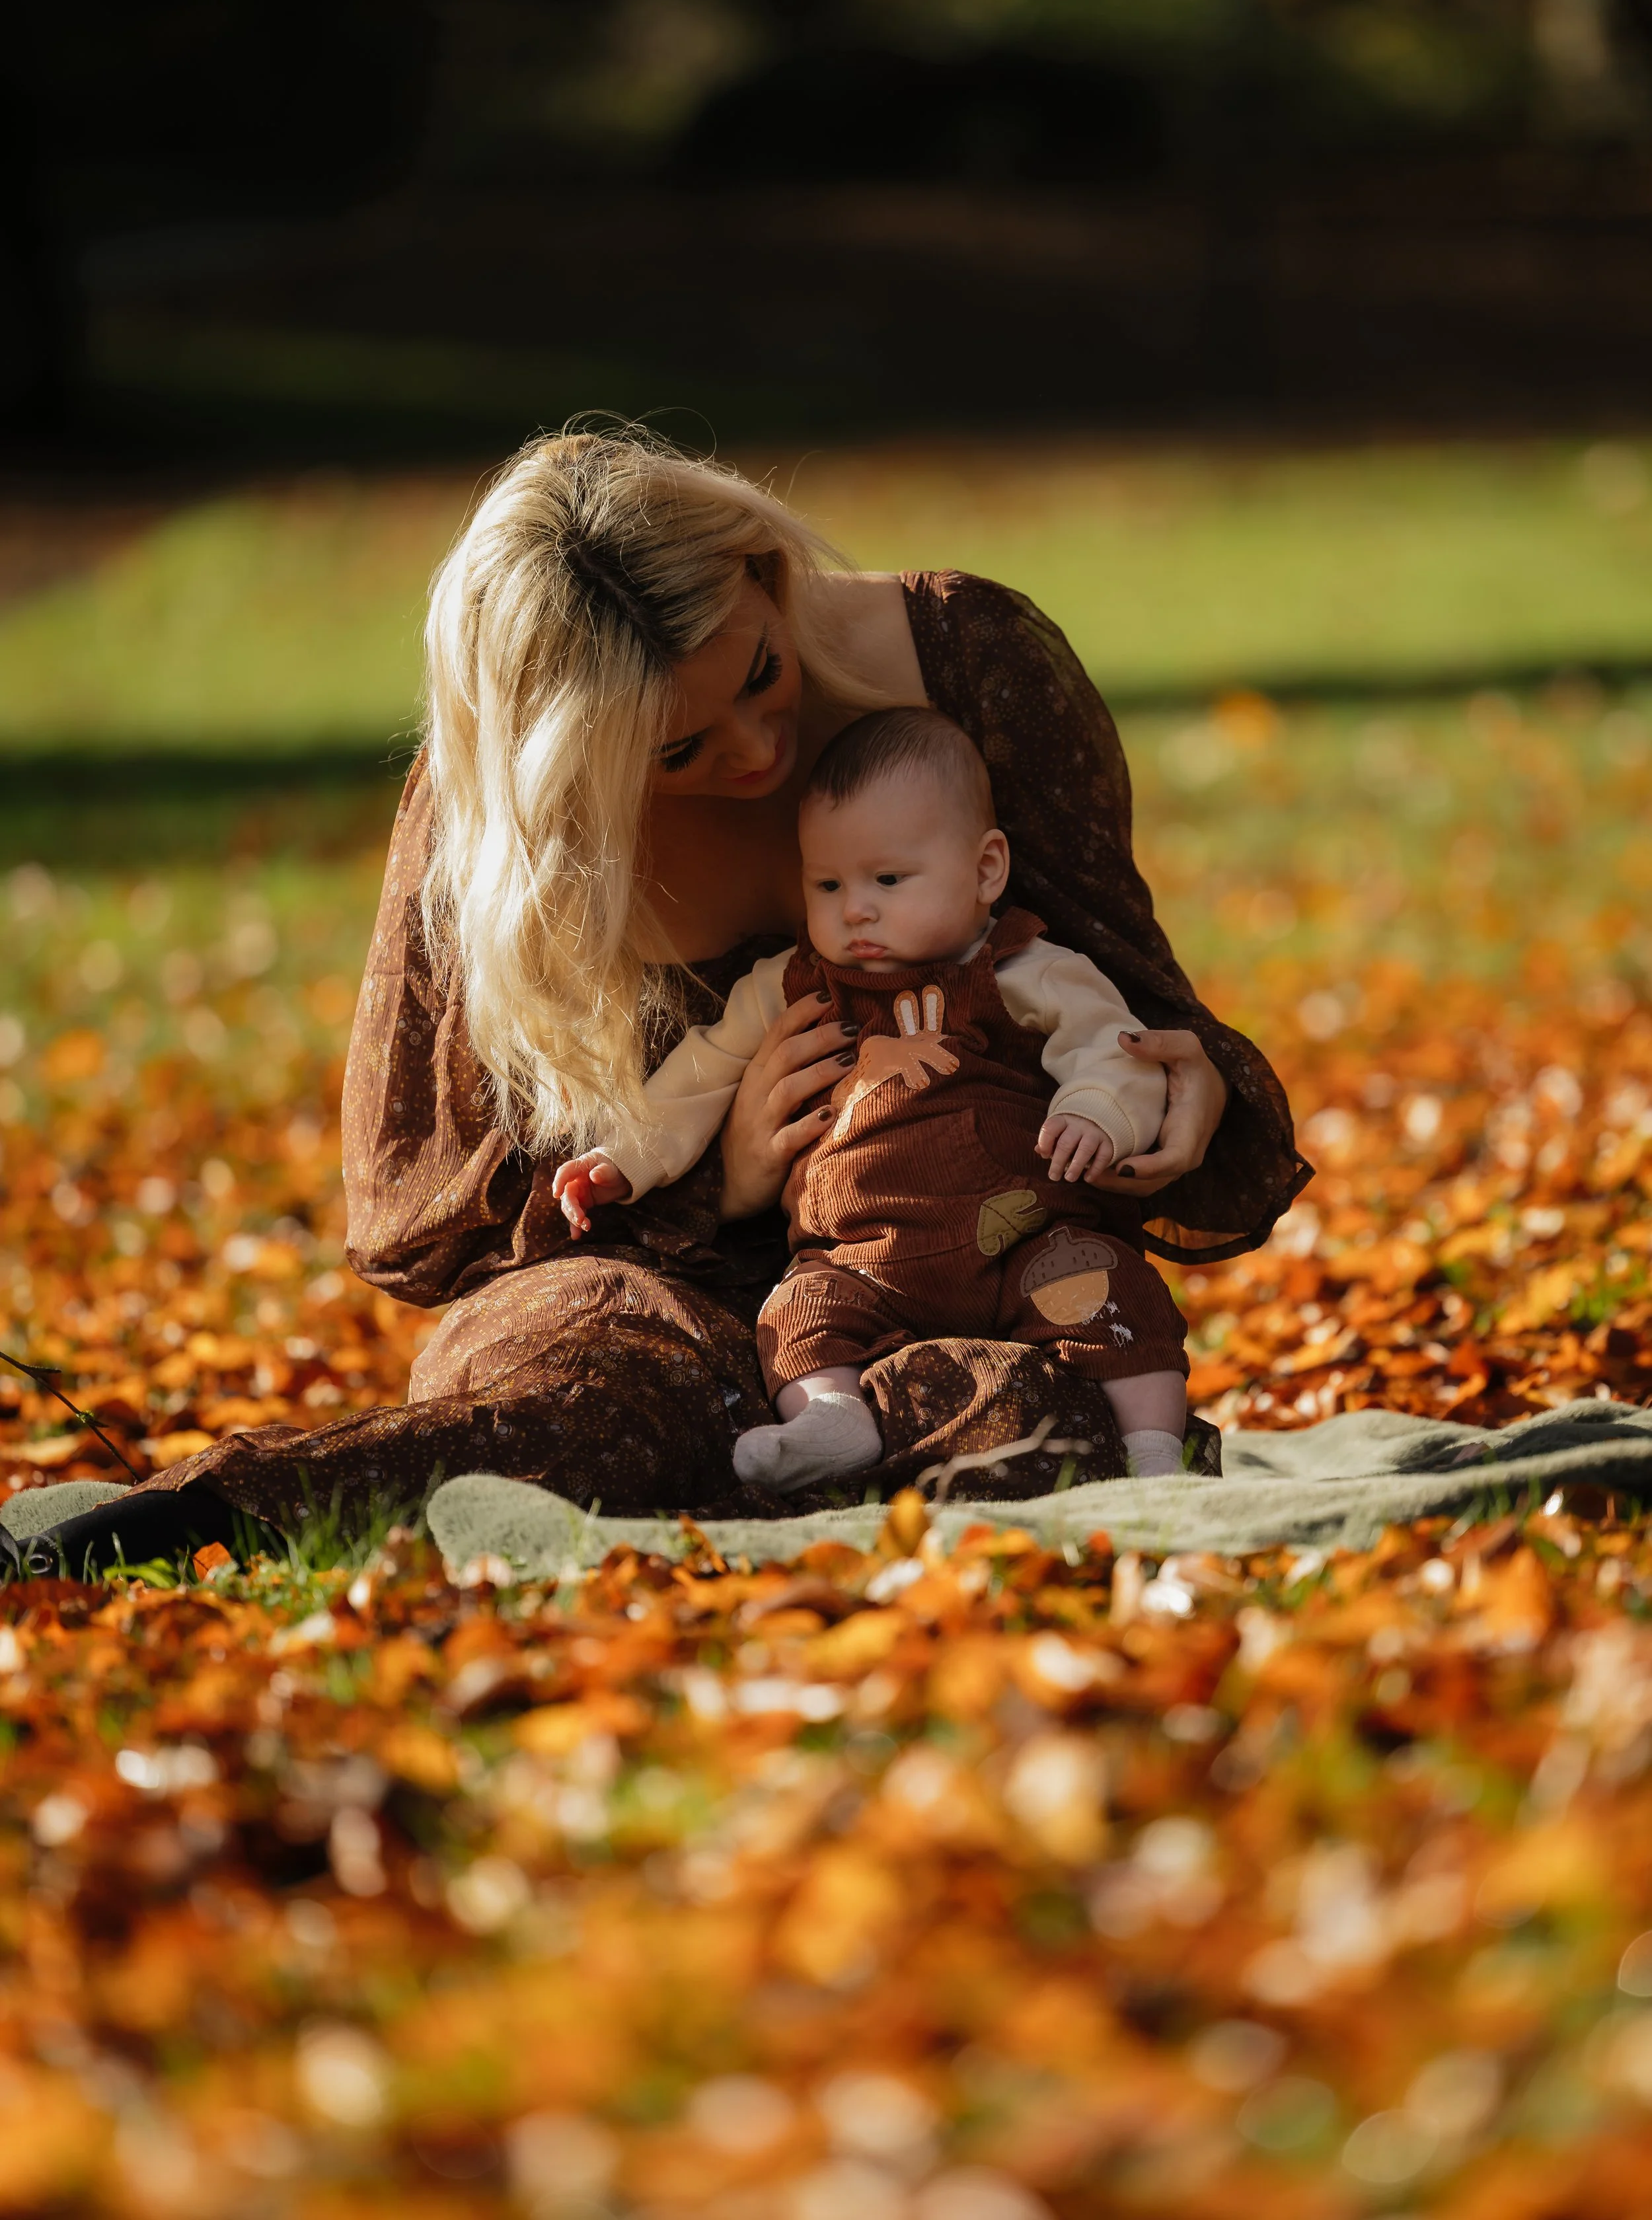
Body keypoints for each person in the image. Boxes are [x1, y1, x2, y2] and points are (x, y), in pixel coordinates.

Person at [14, 426, 1309, 1574]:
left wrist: (1173, 1085)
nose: (752, 753)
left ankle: (800, 1460)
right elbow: (420, 1218)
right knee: (605, 1404)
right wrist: (724, 1177)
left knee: (1050, 1411)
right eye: (674, 751)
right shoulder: (498, 833)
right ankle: (203, 1520)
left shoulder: (970, 666)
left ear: (760, 567)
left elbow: (1126, 996)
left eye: (758, 675)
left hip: (944, 1261)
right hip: (631, 1289)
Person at [554, 707, 1193, 1493]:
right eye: (828, 883)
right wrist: (624, 1156)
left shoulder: (1024, 970)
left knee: (1111, 1291)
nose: (855, 908)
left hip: (1022, 1239)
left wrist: (1097, 1110)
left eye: (887, 879)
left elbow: (1112, 1046)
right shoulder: (793, 983)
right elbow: (704, 1071)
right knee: (796, 1311)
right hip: (856, 1255)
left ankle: (1156, 1451)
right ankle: (832, 1417)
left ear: (986, 869)